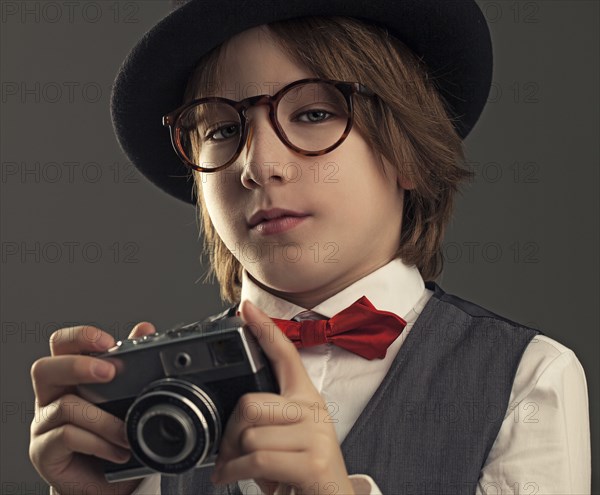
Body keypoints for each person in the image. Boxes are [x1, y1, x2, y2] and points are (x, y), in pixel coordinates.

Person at [29, 1, 592, 494]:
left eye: (315, 113)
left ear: (408, 150)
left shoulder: (526, 378)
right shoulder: (155, 407)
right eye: (223, 129)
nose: (259, 166)